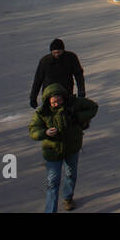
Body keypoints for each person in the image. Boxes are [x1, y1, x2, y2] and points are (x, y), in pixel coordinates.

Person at [28, 83, 98, 213]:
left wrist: (77, 118)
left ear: (63, 98)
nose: (57, 104)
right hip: (53, 152)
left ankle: (68, 197)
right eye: (53, 102)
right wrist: (45, 133)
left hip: (72, 148)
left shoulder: (73, 104)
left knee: (70, 174)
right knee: (52, 182)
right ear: (48, 100)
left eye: (59, 100)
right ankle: (50, 210)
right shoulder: (42, 113)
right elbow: (33, 130)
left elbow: (93, 107)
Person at [29, 38, 86, 108]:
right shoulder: (45, 61)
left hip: (66, 91)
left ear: (63, 50)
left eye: (59, 52)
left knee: (66, 113)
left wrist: (81, 91)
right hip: (49, 93)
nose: (57, 54)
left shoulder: (71, 58)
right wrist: (33, 98)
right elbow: (38, 80)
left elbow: (79, 75)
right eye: (54, 53)